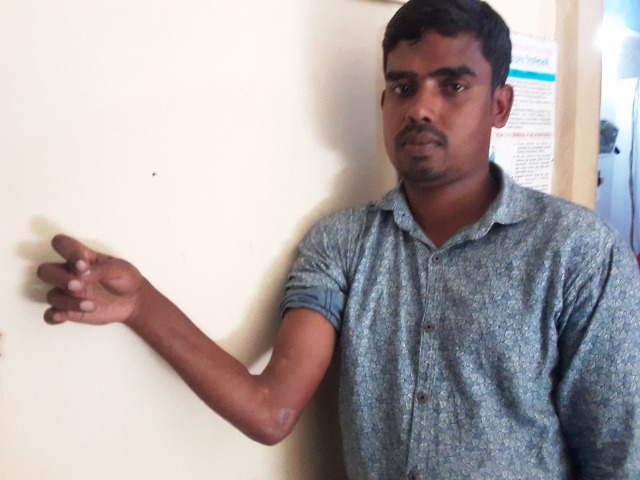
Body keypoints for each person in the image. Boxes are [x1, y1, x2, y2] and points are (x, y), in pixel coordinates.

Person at [36, 0, 640, 478]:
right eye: (403, 87)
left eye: (452, 86)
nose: (420, 109)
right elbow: (272, 410)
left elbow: (620, 454)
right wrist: (141, 304)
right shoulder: (344, 244)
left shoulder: (576, 251)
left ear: (500, 105)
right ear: (383, 101)